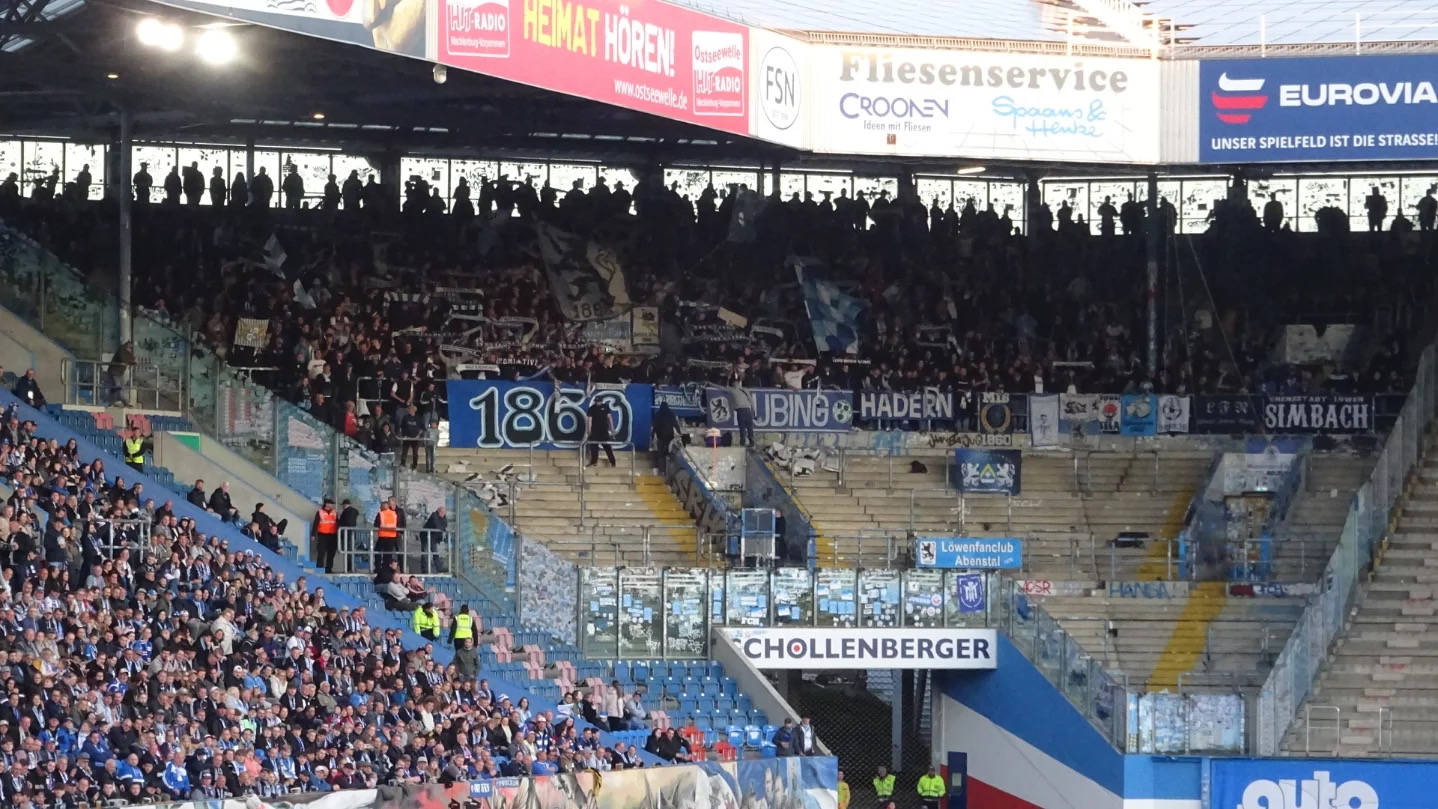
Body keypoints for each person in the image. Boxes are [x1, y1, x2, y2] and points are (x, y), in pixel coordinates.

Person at [586, 398, 616, 467]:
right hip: (595, 431)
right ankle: (594, 462)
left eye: (599, 401)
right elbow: (589, 420)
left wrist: (612, 429)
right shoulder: (592, 408)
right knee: (594, 447)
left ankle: (613, 462)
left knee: (607, 447)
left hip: (604, 430)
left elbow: (609, 418)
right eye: (597, 401)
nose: (598, 403)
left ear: (601, 401)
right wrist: (589, 431)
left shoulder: (605, 407)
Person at [313, 498, 340, 573]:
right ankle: (320, 568)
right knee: (321, 551)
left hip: (332, 534)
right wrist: (313, 534)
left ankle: (329, 569)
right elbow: (315, 523)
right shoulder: (320, 512)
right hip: (322, 535)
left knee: (331, 552)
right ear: (327, 504)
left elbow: (337, 523)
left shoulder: (334, 512)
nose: (332, 505)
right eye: (331, 503)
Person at [375, 498, 401, 569]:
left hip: (383, 536)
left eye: (380, 507)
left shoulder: (381, 514)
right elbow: (397, 524)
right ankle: (386, 567)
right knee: (388, 554)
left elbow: (376, 524)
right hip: (392, 536)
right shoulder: (394, 514)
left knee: (377, 551)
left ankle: (378, 567)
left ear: (382, 507)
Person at [728, 378, 755, 446]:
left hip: (741, 411)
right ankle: (751, 441)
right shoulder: (746, 390)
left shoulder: (733, 390)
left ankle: (743, 442)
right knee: (749, 427)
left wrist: (710, 383)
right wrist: (753, 411)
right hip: (748, 410)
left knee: (742, 426)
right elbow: (751, 401)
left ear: (734, 383)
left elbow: (721, 388)